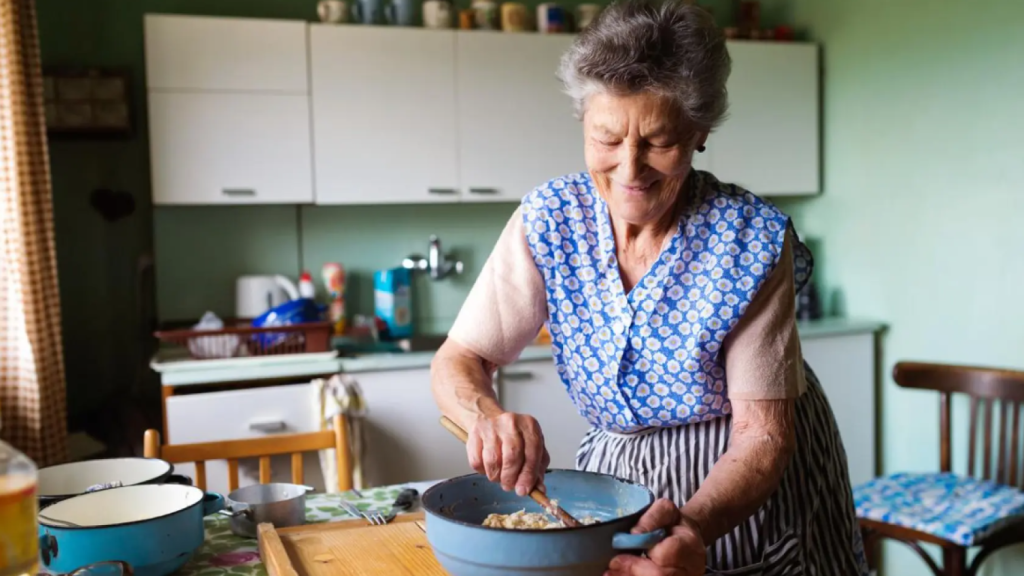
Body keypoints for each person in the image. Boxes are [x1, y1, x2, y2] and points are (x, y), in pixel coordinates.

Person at [429, 0, 867, 573]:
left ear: (699, 131)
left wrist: (693, 525)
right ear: (584, 119)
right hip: (618, 481)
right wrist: (485, 414)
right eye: (608, 139)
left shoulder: (750, 240)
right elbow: (460, 357)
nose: (630, 170)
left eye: (659, 141)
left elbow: (762, 435)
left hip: (743, 481)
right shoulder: (550, 218)